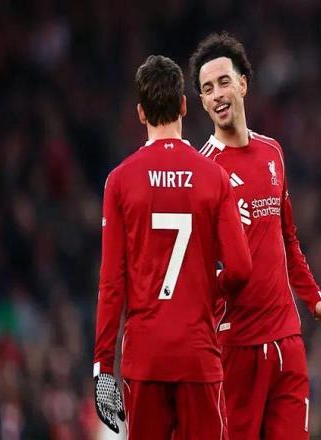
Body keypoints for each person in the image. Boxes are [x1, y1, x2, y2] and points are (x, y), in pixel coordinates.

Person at [189, 33, 321, 440]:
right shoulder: (203, 171)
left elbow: (288, 238)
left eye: (224, 82)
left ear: (243, 84)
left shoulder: (272, 152)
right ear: (202, 102)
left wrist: (314, 300)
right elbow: (194, 269)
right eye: (207, 89)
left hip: (287, 339)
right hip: (235, 346)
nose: (217, 94)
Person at [92, 54, 252, 440]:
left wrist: (103, 368)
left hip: (145, 358)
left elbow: (112, 284)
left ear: (141, 113)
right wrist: (208, 287)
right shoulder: (214, 177)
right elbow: (241, 268)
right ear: (184, 105)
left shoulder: (119, 181)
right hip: (198, 354)